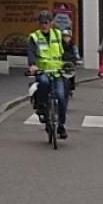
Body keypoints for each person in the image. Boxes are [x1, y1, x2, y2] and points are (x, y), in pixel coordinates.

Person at [27, 11, 75, 139]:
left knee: (61, 97)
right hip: (43, 70)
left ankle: (61, 126)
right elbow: (31, 52)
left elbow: (67, 49)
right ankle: (41, 106)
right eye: (41, 23)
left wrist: (70, 60)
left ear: (51, 23)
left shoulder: (58, 34)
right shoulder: (34, 37)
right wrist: (32, 65)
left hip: (57, 72)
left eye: (46, 23)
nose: (44, 25)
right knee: (43, 82)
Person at [62, 29, 80, 96]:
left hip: (70, 62)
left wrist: (77, 59)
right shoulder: (60, 44)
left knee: (72, 74)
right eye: (64, 36)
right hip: (62, 62)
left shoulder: (73, 45)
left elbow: (76, 53)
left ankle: (71, 87)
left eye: (67, 36)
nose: (66, 38)